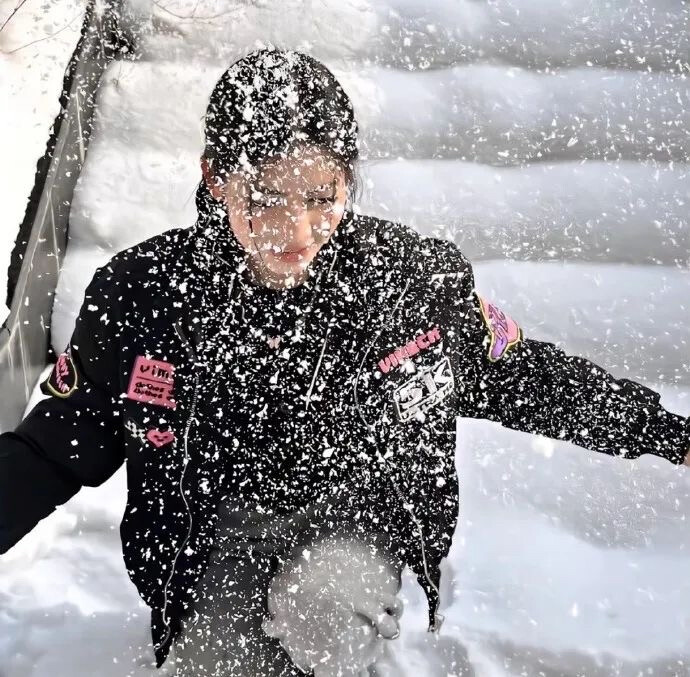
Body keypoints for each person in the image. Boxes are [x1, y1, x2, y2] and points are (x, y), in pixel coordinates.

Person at [1, 46, 689, 677]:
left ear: (347, 184)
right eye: (265, 198)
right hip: (213, 537)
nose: (295, 231)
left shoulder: (405, 283)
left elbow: (522, 375)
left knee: (320, 617)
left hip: (353, 519)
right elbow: (56, 449)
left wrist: (667, 433)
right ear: (215, 178)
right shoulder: (145, 293)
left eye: (320, 199)